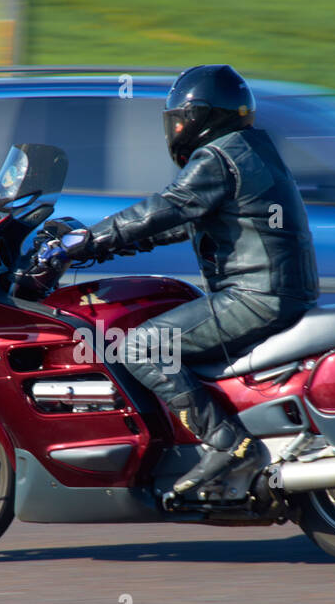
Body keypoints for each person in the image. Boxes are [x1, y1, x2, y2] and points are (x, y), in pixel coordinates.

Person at [60, 64, 319, 498]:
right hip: (276, 292)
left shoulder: (218, 156)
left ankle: (227, 443)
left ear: (200, 117)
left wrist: (86, 239)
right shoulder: (249, 149)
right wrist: (104, 245)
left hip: (256, 297)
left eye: (180, 117)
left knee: (142, 345)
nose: (175, 126)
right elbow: (175, 223)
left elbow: (169, 206)